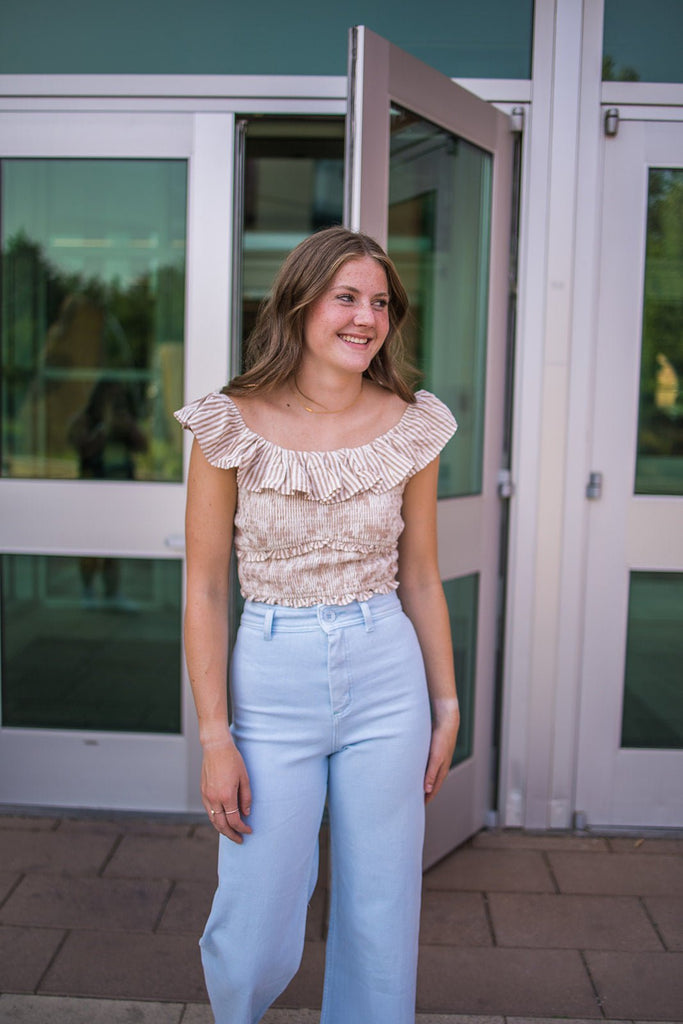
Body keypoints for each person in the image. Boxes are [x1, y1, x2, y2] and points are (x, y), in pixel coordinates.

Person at [175, 226, 460, 1024]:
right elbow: (201, 589)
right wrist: (214, 736)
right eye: (346, 297)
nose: (366, 317)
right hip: (270, 674)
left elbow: (421, 575)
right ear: (300, 302)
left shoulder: (411, 425)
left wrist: (444, 706)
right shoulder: (226, 425)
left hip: (386, 672)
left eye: (380, 302)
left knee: (380, 907)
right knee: (255, 914)